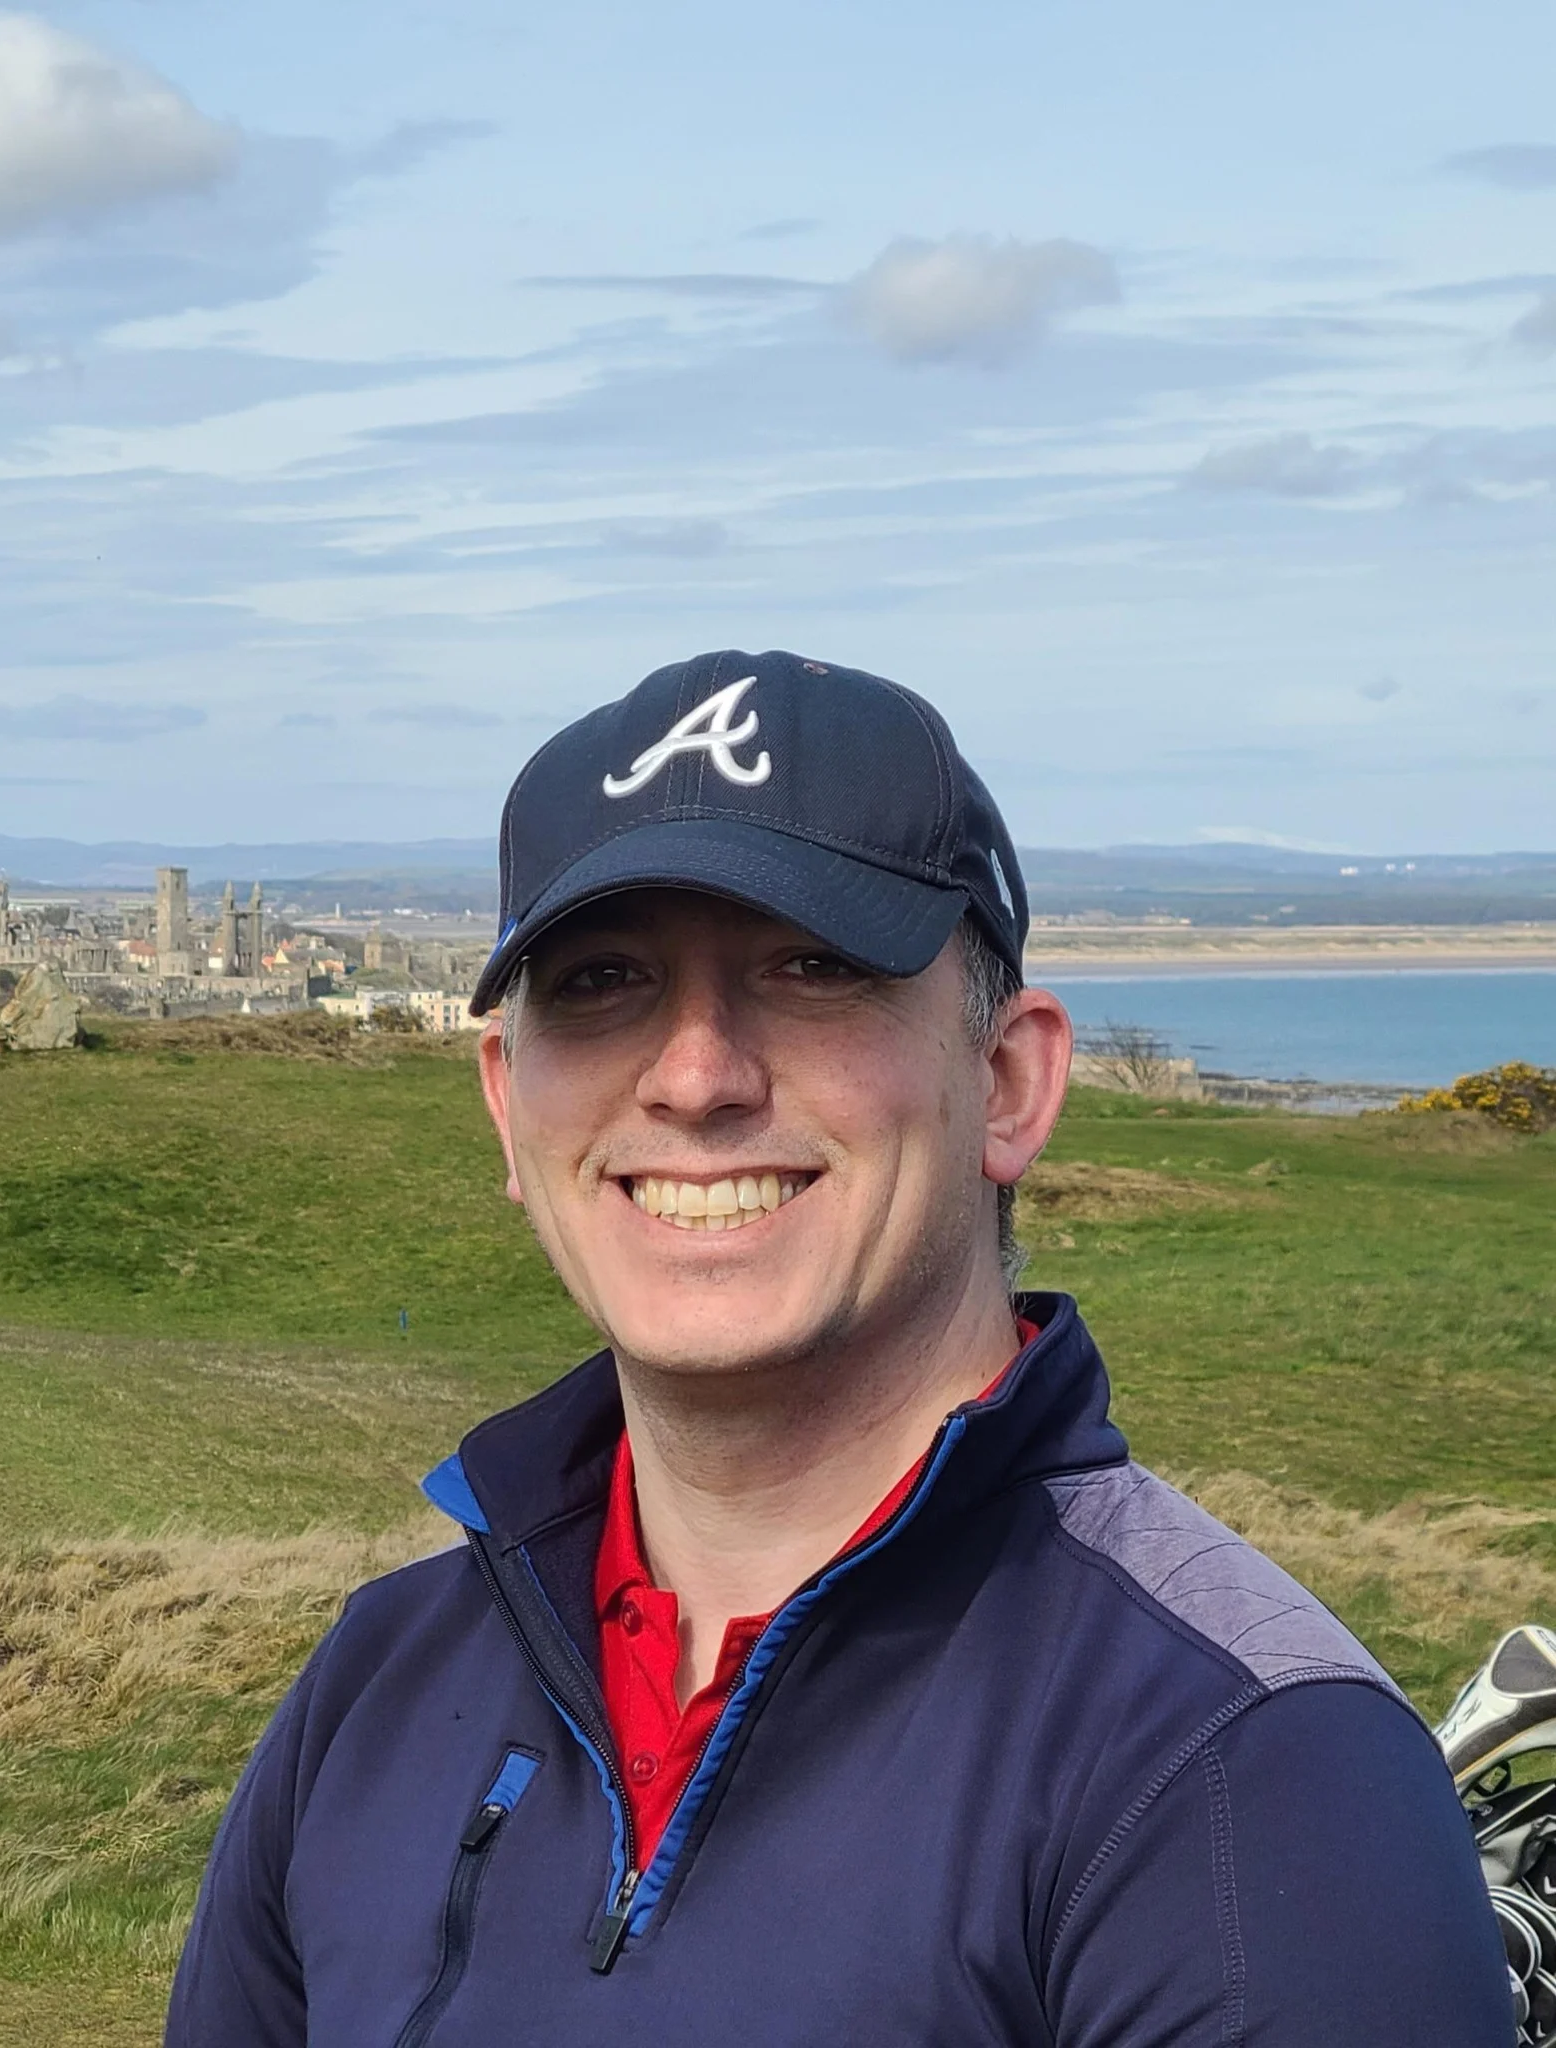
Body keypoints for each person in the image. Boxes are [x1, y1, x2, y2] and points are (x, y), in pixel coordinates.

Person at [166, 650, 1510, 2045]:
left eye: (815, 968)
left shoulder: (1248, 1776)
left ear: (1008, 1081)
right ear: (510, 1107)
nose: (696, 1077)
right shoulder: (378, 1688)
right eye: (603, 978)